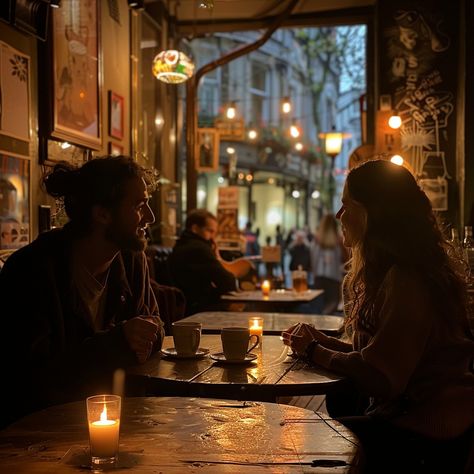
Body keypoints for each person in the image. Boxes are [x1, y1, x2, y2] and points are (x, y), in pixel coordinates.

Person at [283, 160, 474, 472]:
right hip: (419, 421)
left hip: (427, 435)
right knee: (332, 412)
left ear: (374, 212)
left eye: (347, 205)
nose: (339, 216)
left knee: (305, 444)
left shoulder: (407, 278)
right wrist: (321, 343)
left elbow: (384, 378)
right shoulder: (400, 270)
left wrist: (314, 350)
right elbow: (382, 357)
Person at [0, 156, 165, 428]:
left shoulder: (130, 258)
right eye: (139, 205)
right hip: (39, 431)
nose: (150, 217)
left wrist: (143, 334)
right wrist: (118, 342)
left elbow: (153, 324)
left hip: (118, 419)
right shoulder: (34, 270)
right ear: (101, 214)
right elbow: (29, 377)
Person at [169, 209, 253, 315]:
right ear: (195, 228)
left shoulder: (182, 245)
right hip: (198, 308)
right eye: (210, 231)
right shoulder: (198, 249)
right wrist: (216, 256)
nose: (213, 237)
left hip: (189, 304)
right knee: (249, 309)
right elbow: (227, 282)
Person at [310, 214, 348, 314]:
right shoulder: (339, 241)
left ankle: (319, 323)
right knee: (332, 305)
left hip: (319, 278)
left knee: (320, 306)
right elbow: (347, 260)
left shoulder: (316, 241)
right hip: (334, 279)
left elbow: (312, 260)